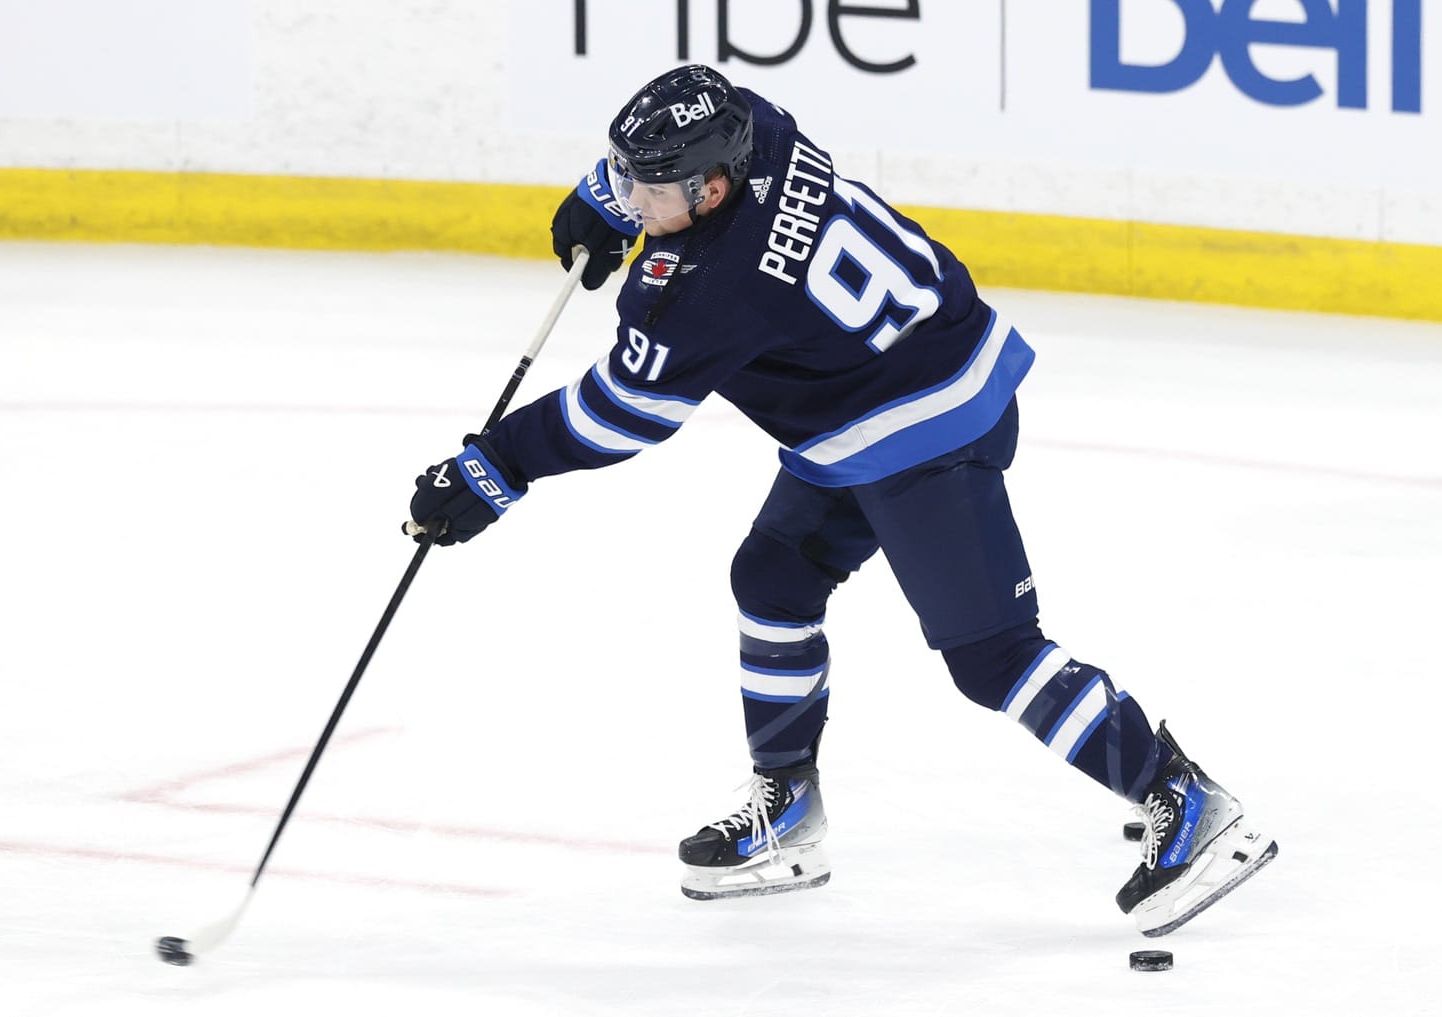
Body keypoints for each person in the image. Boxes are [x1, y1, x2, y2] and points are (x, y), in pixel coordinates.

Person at [407, 64, 1276, 935]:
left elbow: (620, 415)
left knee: (994, 657)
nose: (635, 197)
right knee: (773, 579)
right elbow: (680, 149)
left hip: (925, 431)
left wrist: (494, 468)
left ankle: (1184, 798)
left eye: (650, 188)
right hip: (897, 377)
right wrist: (607, 192)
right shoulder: (759, 127)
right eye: (625, 174)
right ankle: (787, 806)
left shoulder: (709, 289)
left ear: (711, 190)